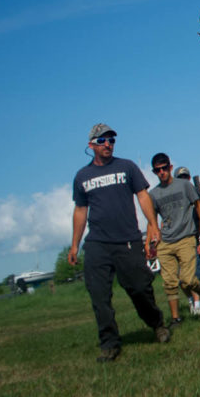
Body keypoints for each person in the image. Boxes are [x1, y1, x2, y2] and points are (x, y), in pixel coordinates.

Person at [69, 123, 170, 362]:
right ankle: (110, 344)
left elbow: (143, 195)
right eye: (103, 140)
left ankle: (157, 324)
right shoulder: (82, 176)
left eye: (111, 140)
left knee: (139, 288)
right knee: (99, 296)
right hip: (97, 243)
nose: (108, 144)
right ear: (91, 144)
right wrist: (74, 244)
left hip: (127, 239)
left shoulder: (127, 167)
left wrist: (153, 224)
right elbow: (81, 210)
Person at [149, 154, 200, 326]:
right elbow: (152, 219)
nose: (161, 172)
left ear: (170, 167)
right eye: (157, 170)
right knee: (169, 283)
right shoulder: (153, 194)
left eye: (164, 168)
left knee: (187, 280)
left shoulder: (184, 185)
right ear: (154, 172)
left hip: (186, 238)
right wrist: (151, 242)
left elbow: (199, 206)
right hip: (166, 241)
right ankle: (176, 318)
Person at [175, 165, 200, 314]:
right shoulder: (174, 198)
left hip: (192, 240)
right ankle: (191, 299)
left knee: (193, 276)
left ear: (189, 178)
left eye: (185, 177)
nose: (184, 180)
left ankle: (198, 304)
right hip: (175, 242)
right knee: (181, 280)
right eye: (180, 178)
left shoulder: (197, 197)